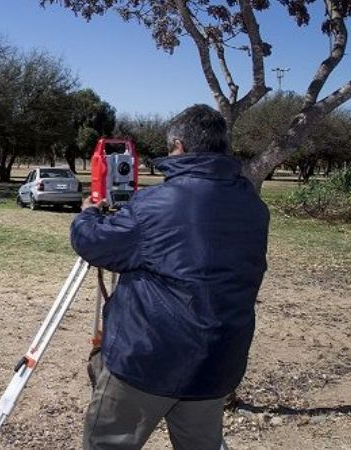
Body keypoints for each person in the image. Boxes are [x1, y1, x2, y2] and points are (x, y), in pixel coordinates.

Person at [71, 104, 270, 450]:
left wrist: (87, 217)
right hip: (217, 361)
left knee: (108, 443)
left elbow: (96, 245)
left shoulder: (156, 204)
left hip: (148, 361)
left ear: (178, 146)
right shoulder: (252, 204)